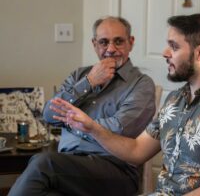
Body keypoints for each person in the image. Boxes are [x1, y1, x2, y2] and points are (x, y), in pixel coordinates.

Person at [50, 13, 200, 195]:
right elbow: (136, 150)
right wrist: (92, 127)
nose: (165, 53)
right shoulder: (176, 100)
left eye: (174, 46)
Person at [8, 16, 156, 196]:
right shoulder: (80, 75)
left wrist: (74, 124)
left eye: (118, 41)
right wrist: (89, 81)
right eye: (103, 42)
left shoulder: (141, 84)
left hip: (115, 170)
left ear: (130, 43)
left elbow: (118, 129)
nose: (111, 49)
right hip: (68, 167)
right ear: (94, 44)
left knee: (43, 163)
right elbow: (48, 114)